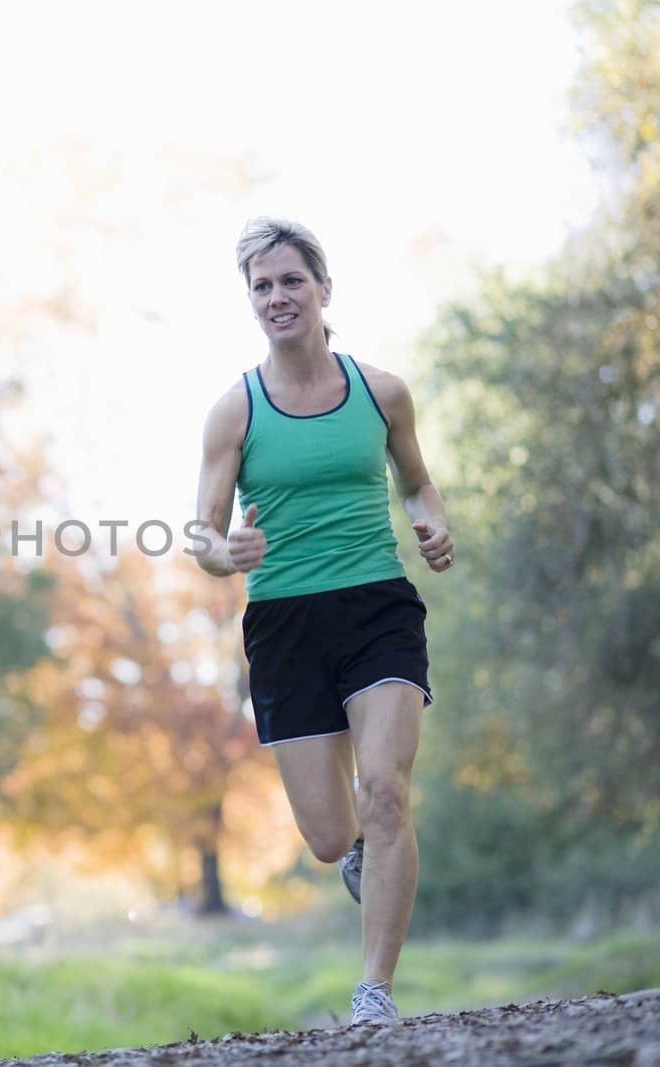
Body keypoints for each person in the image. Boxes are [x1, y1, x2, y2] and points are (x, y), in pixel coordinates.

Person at [192, 217, 454, 1026]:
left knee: (385, 788)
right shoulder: (235, 409)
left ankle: (373, 989)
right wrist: (224, 550)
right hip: (283, 622)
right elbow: (199, 531)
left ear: (323, 288)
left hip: (377, 605)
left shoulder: (381, 391)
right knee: (331, 836)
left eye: (291, 280)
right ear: (252, 301)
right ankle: (364, 861)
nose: (278, 296)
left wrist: (432, 520)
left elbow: (416, 481)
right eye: (262, 285)